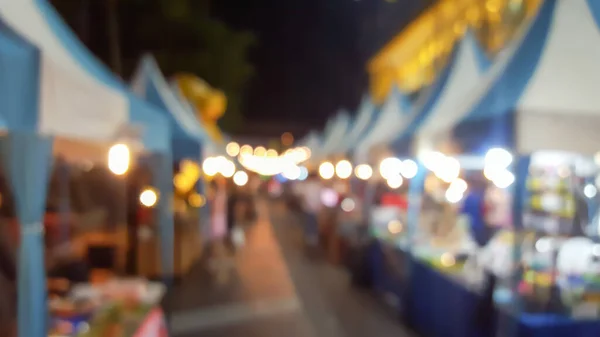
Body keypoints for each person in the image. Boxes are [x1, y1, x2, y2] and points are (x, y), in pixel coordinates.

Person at [300, 173, 322, 249]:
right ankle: (311, 240)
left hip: (311, 209)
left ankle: (311, 240)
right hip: (311, 209)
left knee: (311, 224)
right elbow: (307, 198)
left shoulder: (314, 186)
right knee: (311, 224)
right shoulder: (312, 186)